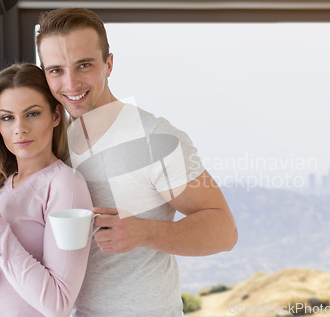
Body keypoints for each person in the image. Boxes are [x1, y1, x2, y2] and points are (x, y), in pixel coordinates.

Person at [35, 8, 238, 317]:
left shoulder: (154, 138)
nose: (71, 83)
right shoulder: (54, 139)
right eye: (56, 70)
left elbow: (224, 230)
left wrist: (144, 232)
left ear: (109, 64)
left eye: (84, 65)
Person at [0, 64, 93, 316]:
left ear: (56, 115)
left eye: (32, 114)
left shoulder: (66, 185)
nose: (19, 128)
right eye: (7, 117)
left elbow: (58, 304)